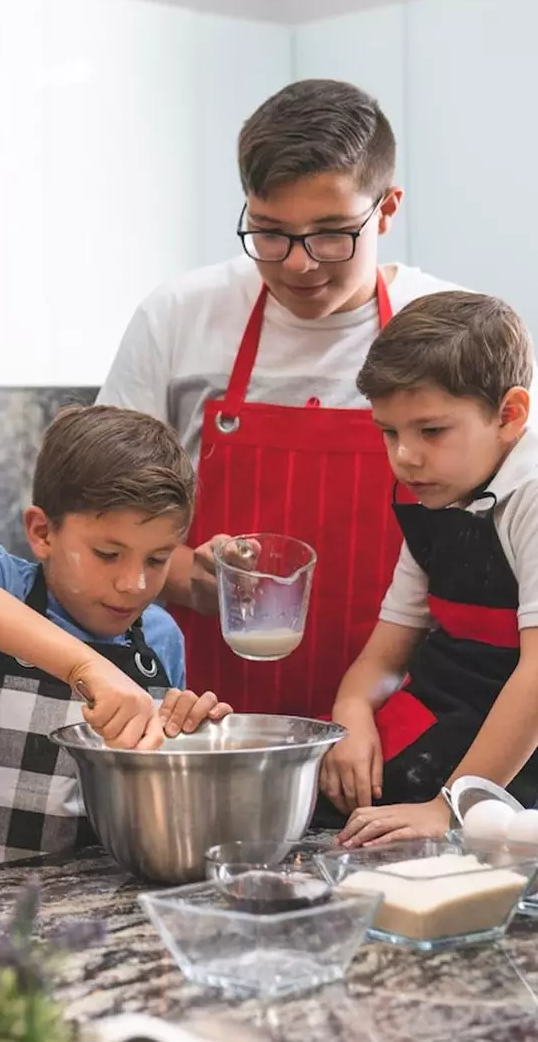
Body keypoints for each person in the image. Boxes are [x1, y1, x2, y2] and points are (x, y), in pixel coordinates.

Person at [96, 78, 460, 720]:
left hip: (395, 724)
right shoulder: (180, 317)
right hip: (202, 722)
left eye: (331, 234)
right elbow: (98, 517)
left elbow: (498, 545)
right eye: (269, 232)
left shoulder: (449, 330)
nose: (297, 263)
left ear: (389, 208)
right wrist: (184, 573)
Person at [0, 404, 233, 873]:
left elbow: (159, 810)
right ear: (42, 532)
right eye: (107, 554)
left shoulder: (159, 641)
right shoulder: (0, 589)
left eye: (157, 560)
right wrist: (86, 666)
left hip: (108, 915)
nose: (134, 584)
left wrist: (189, 745)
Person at [319, 291, 538, 848]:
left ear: (510, 415)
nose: (404, 457)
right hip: (452, 728)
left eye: (431, 431)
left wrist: (452, 807)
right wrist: (352, 713)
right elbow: (385, 657)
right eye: (389, 432)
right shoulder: (435, 497)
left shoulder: (531, 496)